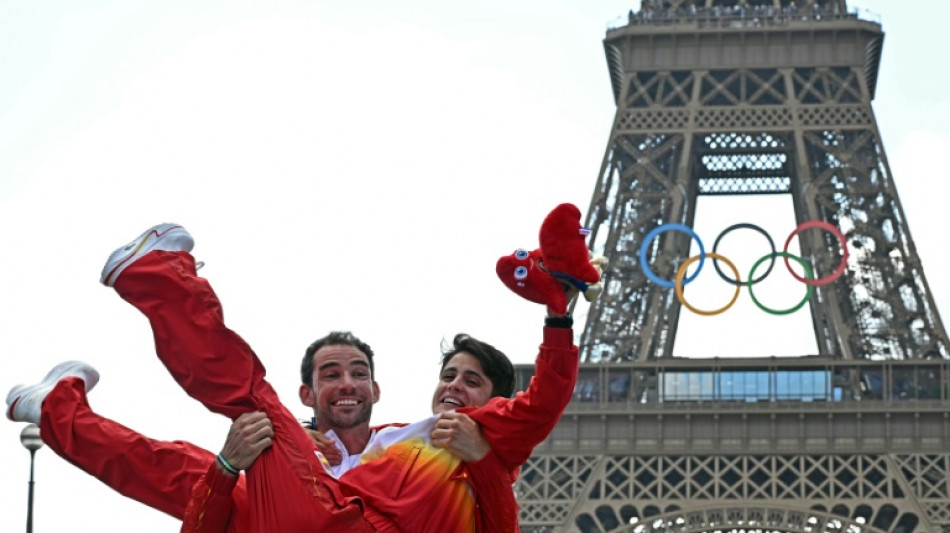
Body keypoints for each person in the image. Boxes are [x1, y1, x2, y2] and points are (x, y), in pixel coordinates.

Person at [5, 337, 506, 533]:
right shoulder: (278, 456)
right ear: (307, 396)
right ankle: (53, 408)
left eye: (357, 374)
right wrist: (227, 469)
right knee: (180, 466)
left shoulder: (422, 451)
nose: (346, 385)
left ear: (376, 388)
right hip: (287, 511)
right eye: (329, 376)